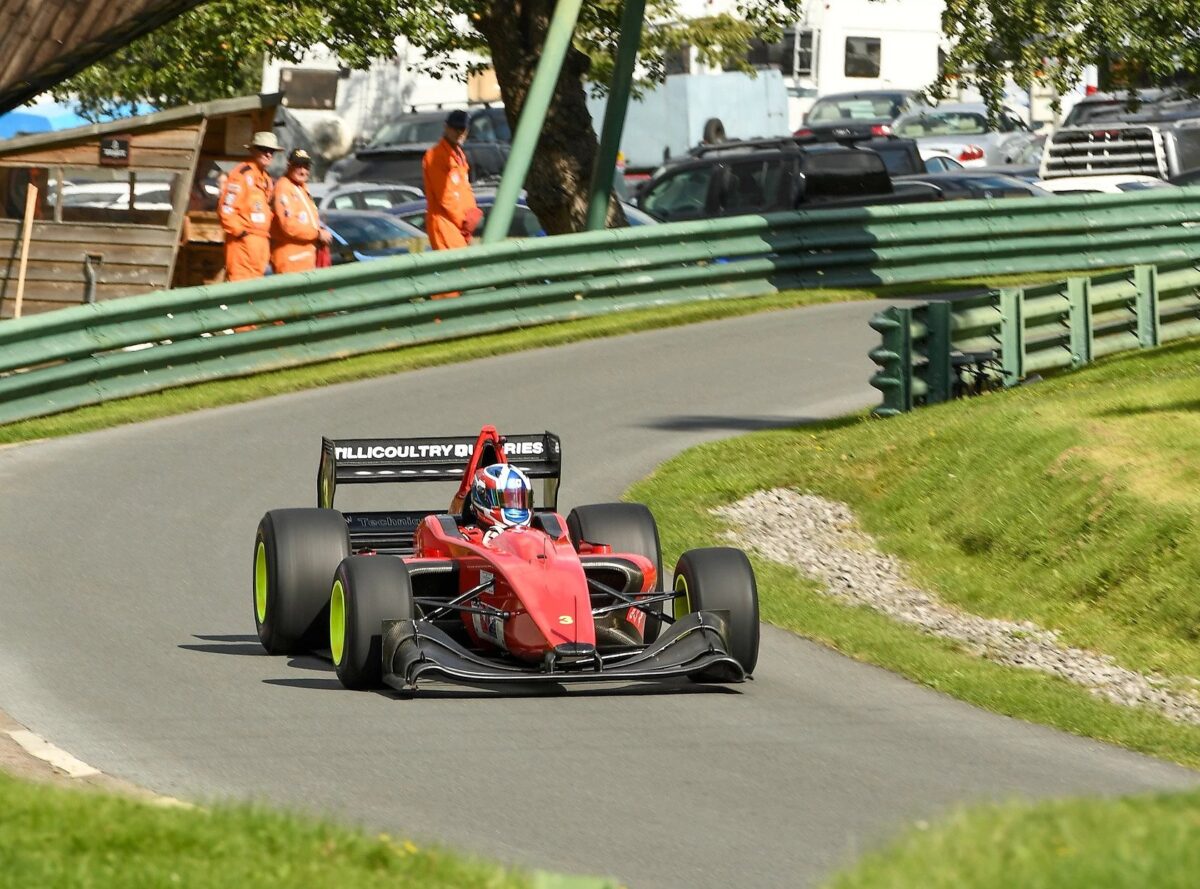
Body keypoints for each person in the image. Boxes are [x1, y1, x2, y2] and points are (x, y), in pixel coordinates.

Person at [218, 131, 279, 281]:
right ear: (253, 150)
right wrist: (241, 233)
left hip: (260, 245)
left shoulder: (266, 179)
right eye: (263, 149)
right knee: (240, 289)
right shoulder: (241, 175)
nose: (268, 154)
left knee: (255, 292)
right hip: (243, 246)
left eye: (271, 151)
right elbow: (226, 209)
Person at [422, 109, 484, 251]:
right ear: (446, 127)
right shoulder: (436, 156)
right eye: (454, 128)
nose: (459, 132)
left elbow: (465, 189)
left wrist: (472, 212)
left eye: (462, 129)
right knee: (458, 269)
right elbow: (445, 196)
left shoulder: (459, 155)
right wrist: (463, 222)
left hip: (461, 227)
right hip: (445, 225)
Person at [270, 148, 331, 274]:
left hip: (305, 260)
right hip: (291, 261)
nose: (303, 171)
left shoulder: (302, 188)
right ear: (289, 166)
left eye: (306, 167)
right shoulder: (284, 188)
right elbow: (289, 226)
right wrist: (317, 234)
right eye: (298, 166)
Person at [469, 463, 533, 532]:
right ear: (481, 497)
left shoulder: (537, 535)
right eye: (505, 500)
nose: (514, 505)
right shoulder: (469, 535)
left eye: (520, 500)